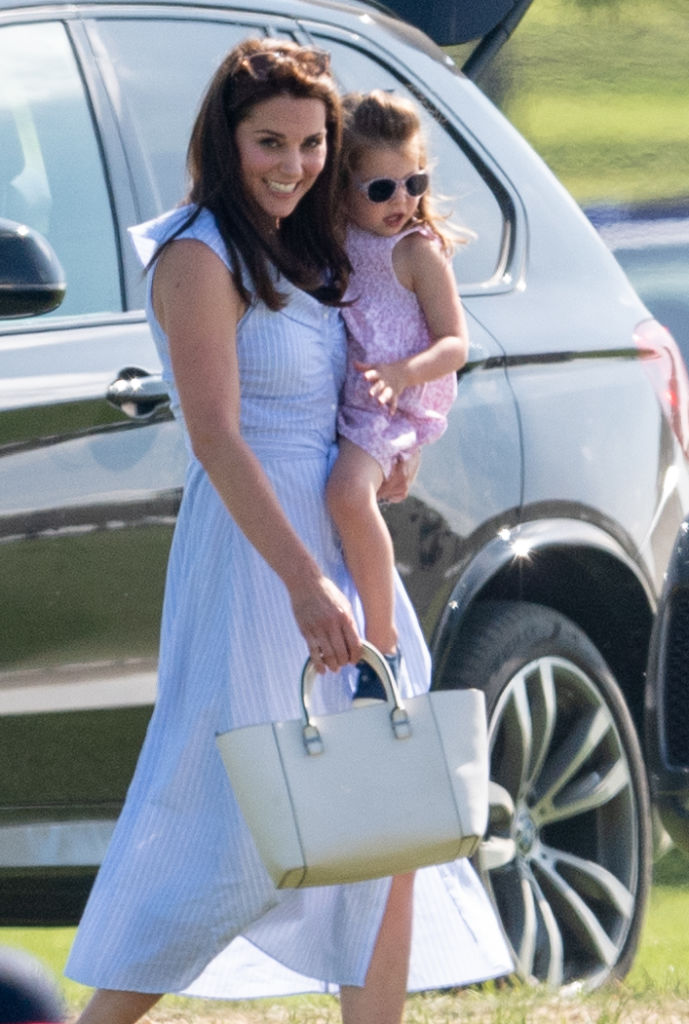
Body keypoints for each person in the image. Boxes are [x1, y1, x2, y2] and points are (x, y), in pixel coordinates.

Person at [64, 38, 511, 1024]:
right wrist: (305, 582)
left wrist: (394, 449)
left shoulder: (305, 249)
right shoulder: (198, 253)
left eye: (312, 145)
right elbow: (217, 437)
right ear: (224, 141)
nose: (294, 164)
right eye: (270, 141)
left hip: (341, 547)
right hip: (259, 560)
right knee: (224, 836)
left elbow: (377, 372)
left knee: (387, 816)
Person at [327, 90, 469, 704]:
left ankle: (382, 646)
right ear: (341, 189)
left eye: (415, 183)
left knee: (347, 495)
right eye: (381, 189)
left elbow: (455, 344)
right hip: (350, 394)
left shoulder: (416, 250)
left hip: (390, 405)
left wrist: (404, 374)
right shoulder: (335, 236)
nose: (402, 201)